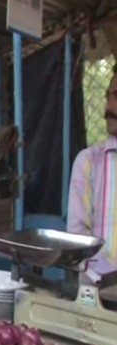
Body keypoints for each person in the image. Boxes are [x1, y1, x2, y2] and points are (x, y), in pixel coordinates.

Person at [68, 64, 117, 279]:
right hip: (98, 294)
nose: (109, 106)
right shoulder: (88, 162)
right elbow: (78, 241)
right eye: (109, 97)